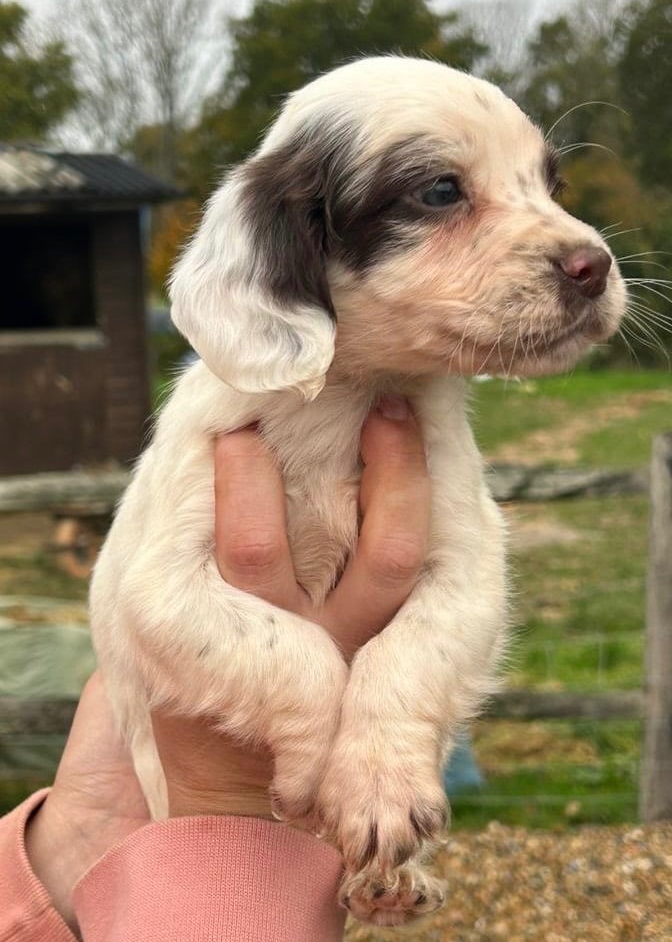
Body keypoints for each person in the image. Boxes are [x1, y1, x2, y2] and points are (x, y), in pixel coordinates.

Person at [0, 397, 431, 942]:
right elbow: (160, 600)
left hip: (106, 820)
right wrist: (232, 804)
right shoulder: (220, 415)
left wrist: (78, 833)